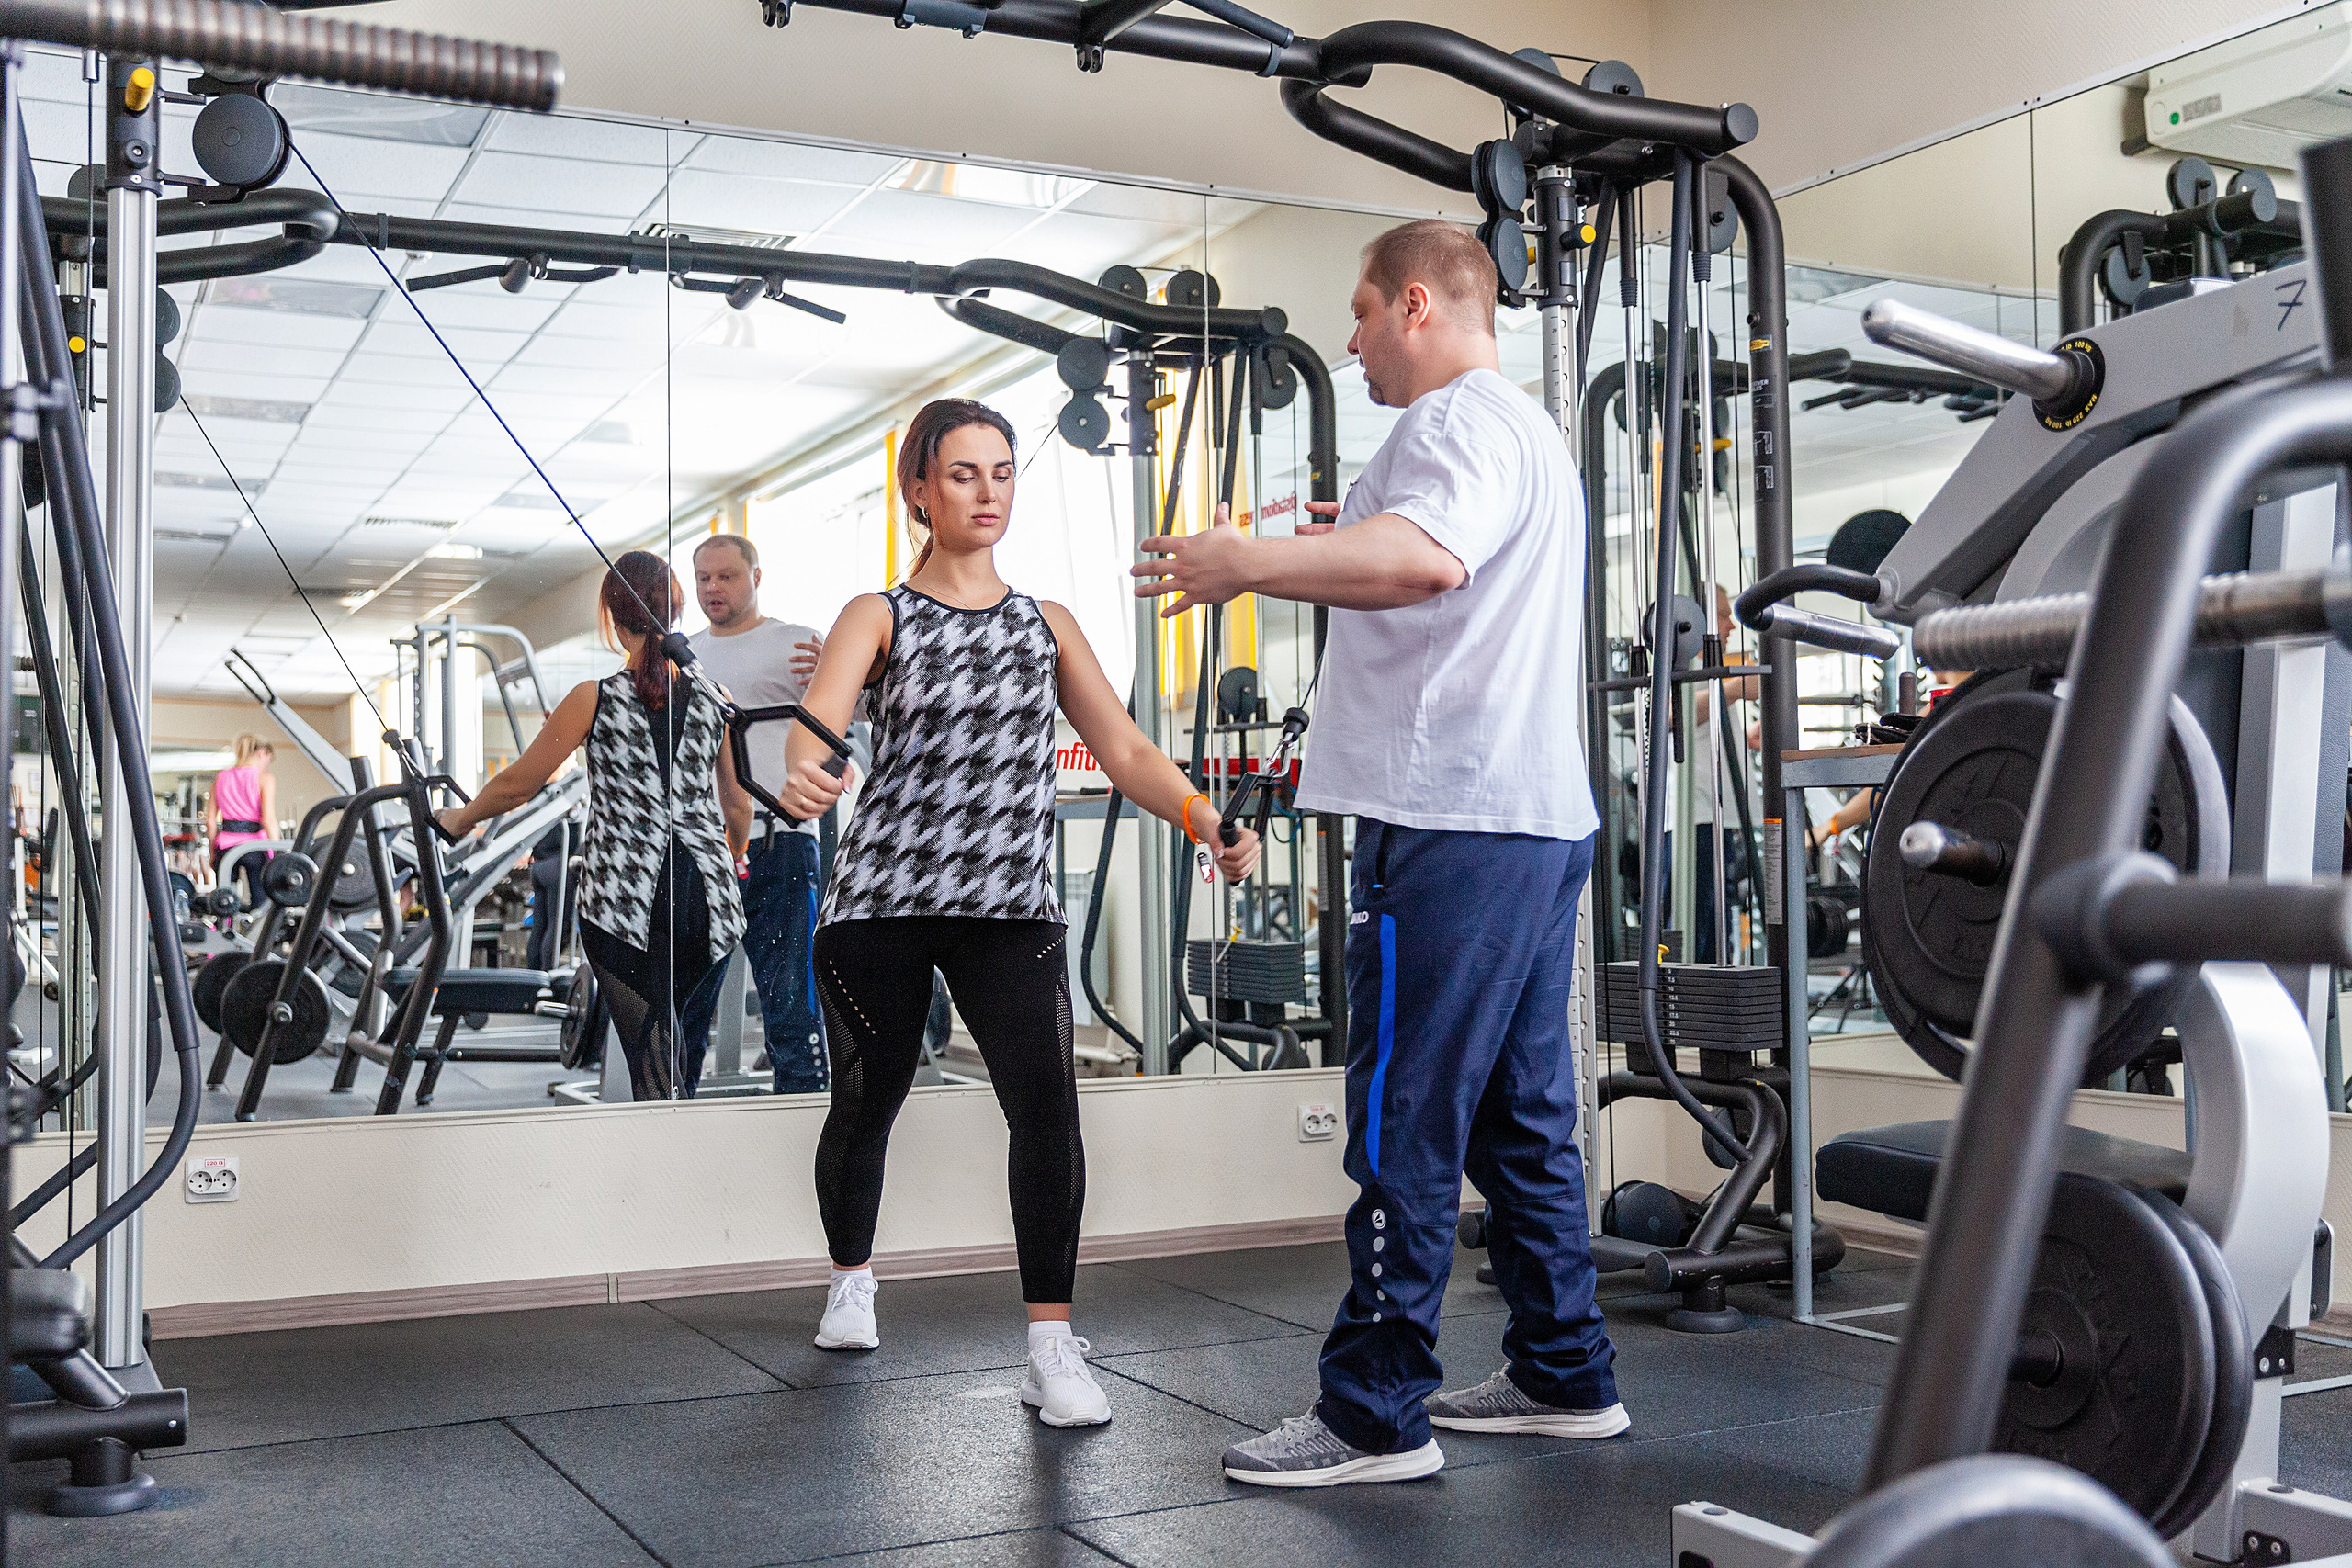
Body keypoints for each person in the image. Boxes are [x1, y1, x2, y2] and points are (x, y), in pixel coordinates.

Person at [1135, 219, 1625, 1486]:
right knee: (1522, 1116)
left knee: (1403, 1118)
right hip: (1526, 815)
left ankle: (1372, 1411)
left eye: (1359, 314)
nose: (1348, 342)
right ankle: (1565, 1370)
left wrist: (1251, 561)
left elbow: (1419, 561)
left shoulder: (1455, 421)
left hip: (1453, 822)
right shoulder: (1526, 429)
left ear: (1416, 303)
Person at [781, 397, 1259, 1429]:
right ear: (918, 489)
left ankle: (1049, 1345)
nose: (986, 489)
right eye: (962, 473)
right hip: (882, 905)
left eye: (1000, 471)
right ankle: (851, 1279)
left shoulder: (1046, 624)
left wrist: (1199, 814)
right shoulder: (878, 615)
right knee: (870, 1103)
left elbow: (1127, 750)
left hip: (1009, 908)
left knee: (1045, 1109)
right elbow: (815, 728)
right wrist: (805, 776)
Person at [438, 550, 752, 1101]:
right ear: (676, 609)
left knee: (657, 1072)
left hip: (626, 902)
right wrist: (734, 852)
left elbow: (518, 784)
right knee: (674, 1053)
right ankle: (684, 1162)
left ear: (611, 615)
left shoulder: (595, 697)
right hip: (709, 901)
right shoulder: (713, 698)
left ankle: (672, 1171)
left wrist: (459, 820)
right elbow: (738, 807)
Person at [687, 532, 836, 1095]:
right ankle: (674, 1123)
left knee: (789, 1001)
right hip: (707, 847)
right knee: (689, 1002)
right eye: (703, 578)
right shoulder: (686, 656)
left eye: (725, 576)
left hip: (782, 843)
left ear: (755, 576)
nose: (712, 588)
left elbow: (840, 725)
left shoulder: (797, 643)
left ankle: (804, 1121)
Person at [207, 734, 277, 909]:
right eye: (269, 759)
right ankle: (256, 935)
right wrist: (277, 851)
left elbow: (210, 821)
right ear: (262, 753)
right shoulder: (265, 778)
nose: (268, 764)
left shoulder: (221, 777)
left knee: (225, 902)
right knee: (261, 902)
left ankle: (226, 931)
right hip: (255, 848)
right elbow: (268, 818)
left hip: (226, 847)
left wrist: (213, 852)